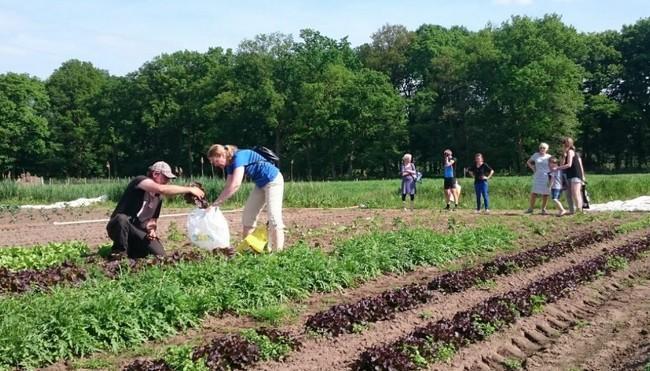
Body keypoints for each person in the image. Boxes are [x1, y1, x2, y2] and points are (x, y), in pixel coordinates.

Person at [106, 161, 205, 259]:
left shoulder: (158, 198)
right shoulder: (140, 181)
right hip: (118, 226)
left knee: (160, 255)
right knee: (121, 218)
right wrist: (190, 189)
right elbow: (162, 189)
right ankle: (118, 253)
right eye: (165, 177)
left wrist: (152, 230)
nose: (167, 181)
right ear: (155, 174)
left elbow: (153, 221)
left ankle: (132, 251)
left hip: (136, 230)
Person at [207, 144, 285, 252]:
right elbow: (228, 186)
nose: (215, 165)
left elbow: (235, 184)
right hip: (260, 184)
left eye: (215, 161)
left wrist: (215, 204)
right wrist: (215, 204)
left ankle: (278, 253)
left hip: (273, 181)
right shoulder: (229, 164)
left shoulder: (239, 157)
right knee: (248, 216)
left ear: (221, 155)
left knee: (274, 218)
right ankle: (248, 250)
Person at [557, 137, 586, 214]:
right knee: (568, 193)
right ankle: (572, 211)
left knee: (575, 192)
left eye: (564, 144)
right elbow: (562, 164)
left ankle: (579, 210)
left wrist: (557, 168)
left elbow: (569, 164)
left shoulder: (571, 151)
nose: (563, 146)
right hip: (567, 175)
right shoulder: (565, 153)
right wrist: (563, 155)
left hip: (575, 174)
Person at [525, 142, 551, 214]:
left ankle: (543, 209)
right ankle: (530, 208)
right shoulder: (536, 155)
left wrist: (551, 174)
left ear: (547, 149)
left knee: (545, 193)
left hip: (546, 176)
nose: (542, 149)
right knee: (534, 193)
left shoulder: (549, 157)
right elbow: (528, 162)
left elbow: (553, 165)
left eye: (544, 148)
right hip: (537, 176)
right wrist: (533, 168)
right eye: (541, 147)